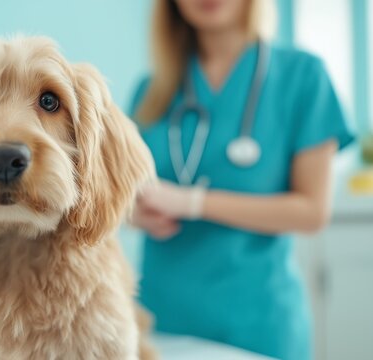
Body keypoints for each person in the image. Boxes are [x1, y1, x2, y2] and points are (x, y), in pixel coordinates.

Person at [129, 0, 354, 359]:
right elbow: (123, 193)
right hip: (162, 319)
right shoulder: (151, 91)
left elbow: (313, 211)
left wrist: (194, 203)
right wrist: (132, 213)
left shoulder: (303, 77)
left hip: (257, 322)